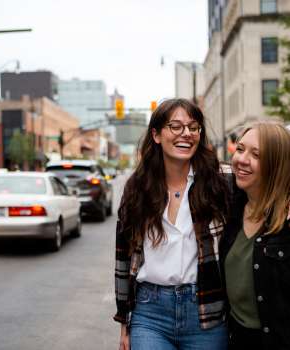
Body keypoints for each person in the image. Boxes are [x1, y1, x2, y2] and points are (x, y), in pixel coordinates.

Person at [114, 98, 230, 350]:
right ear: (156, 134)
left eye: (193, 127)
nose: (186, 134)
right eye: (175, 126)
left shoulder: (221, 182)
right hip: (149, 315)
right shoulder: (137, 188)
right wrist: (125, 321)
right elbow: (123, 258)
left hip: (206, 312)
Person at [220, 122, 290, 350]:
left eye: (256, 154)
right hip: (236, 339)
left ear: (276, 165)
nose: (242, 160)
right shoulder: (230, 206)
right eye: (240, 149)